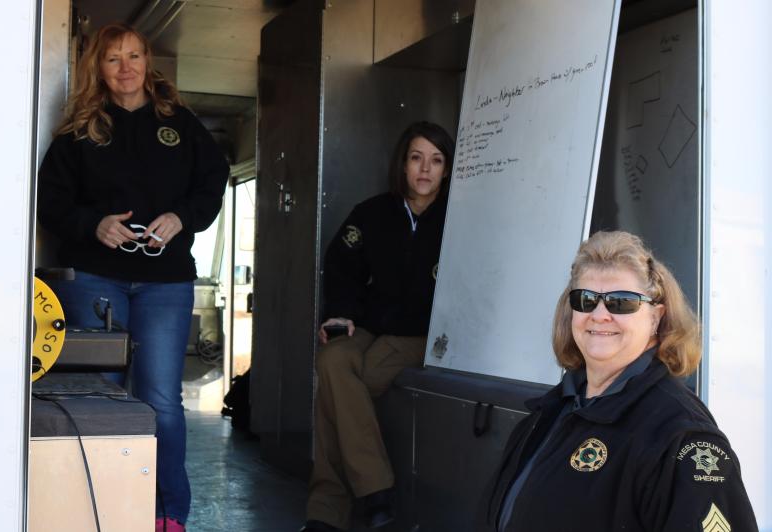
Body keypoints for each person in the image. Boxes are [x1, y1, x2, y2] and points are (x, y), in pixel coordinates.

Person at [37, 24, 229, 532]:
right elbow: (50, 200)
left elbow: (213, 181)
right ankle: (101, 508)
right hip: (94, 279)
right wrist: (92, 224)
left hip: (165, 281)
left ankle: (168, 514)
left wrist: (182, 216)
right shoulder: (80, 130)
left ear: (148, 62)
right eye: (114, 59)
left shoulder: (179, 125)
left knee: (162, 399)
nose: (127, 69)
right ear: (97, 68)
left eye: (135, 57)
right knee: (101, 395)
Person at [479, 231, 757, 531]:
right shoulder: (555, 409)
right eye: (586, 300)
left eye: (621, 302)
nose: (599, 315)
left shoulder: (681, 436)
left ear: (655, 317)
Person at [301, 122, 455, 532]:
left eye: (436, 160)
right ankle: (375, 493)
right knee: (333, 360)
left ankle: (327, 511)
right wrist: (340, 313)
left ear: (447, 168)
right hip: (369, 326)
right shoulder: (372, 213)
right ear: (402, 163)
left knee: (342, 389)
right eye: (417, 157)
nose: (425, 169)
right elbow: (341, 267)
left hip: (424, 335)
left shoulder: (459, 218)